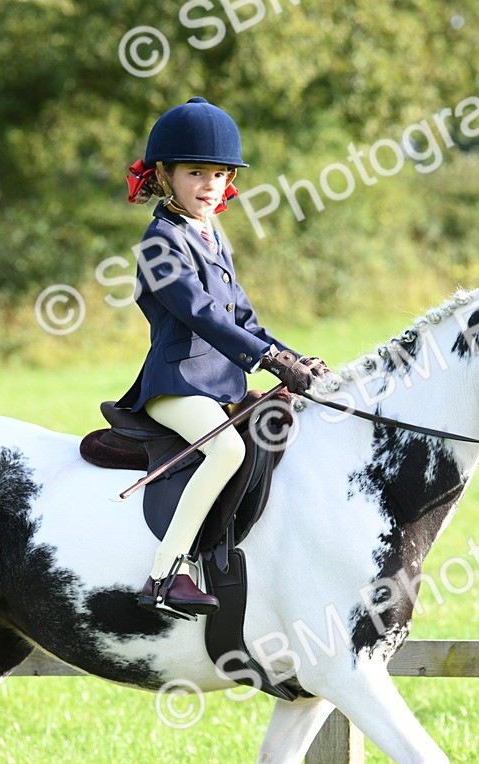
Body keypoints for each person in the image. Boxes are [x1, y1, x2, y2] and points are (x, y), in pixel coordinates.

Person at [117, 96, 327, 618]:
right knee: (228, 451)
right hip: (176, 384)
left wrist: (299, 360)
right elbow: (204, 316)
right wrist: (271, 362)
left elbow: (244, 319)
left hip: (221, 383)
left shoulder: (211, 233)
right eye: (195, 173)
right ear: (163, 176)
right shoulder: (159, 244)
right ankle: (166, 574)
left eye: (218, 173)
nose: (209, 184)